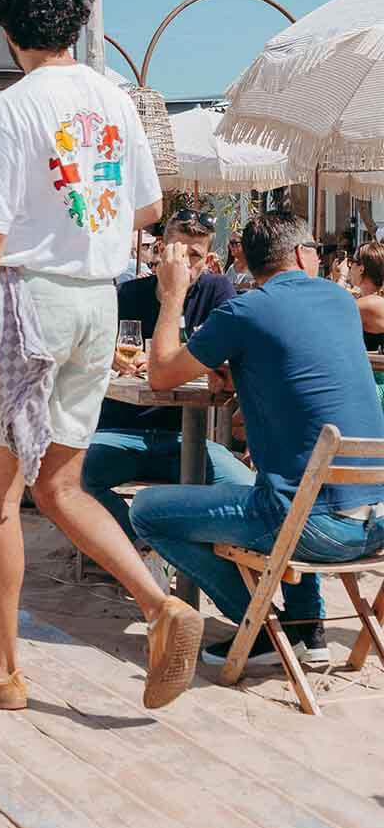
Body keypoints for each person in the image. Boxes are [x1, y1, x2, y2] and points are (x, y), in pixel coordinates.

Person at [0, 0, 202, 715]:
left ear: (7, 33)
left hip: (29, 301)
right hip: (95, 302)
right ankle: (159, 605)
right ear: (75, 26)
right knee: (58, 484)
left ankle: (3, 671)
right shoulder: (114, 98)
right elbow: (147, 209)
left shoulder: (11, 109)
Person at [131, 214, 384, 670]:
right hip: (376, 523)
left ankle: (262, 627)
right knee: (284, 490)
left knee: (147, 511)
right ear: (302, 254)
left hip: (315, 530)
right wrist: (243, 375)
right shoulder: (340, 303)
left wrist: (172, 297)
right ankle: (308, 629)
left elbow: (161, 373)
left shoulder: (245, 312)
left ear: (247, 261)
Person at [84, 211, 244, 544]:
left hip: (186, 437)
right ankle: (141, 545)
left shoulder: (216, 291)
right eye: (177, 252)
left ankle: (162, 546)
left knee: (247, 487)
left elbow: (230, 353)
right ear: (160, 250)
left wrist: (174, 360)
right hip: (120, 432)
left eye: (194, 255)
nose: (184, 263)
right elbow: (94, 347)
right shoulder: (129, 294)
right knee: (72, 479)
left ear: (208, 260)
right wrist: (109, 355)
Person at [350, 241, 384, 409]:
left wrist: (340, 278)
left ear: (361, 269)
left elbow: (330, 312)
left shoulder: (370, 304)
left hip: (375, 386)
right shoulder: (372, 300)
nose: (349, 267)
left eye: (351, 262)